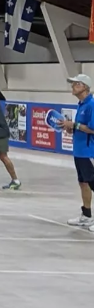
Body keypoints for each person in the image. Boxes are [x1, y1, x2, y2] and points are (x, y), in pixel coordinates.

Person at [63, 74, 94, 228]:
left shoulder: (92, 105)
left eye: (75, 84)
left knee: (92, 183)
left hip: (89, 152)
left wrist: (74, 125)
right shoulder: (81, 104)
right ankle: (87, 215)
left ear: (84, 86)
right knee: (83, 183)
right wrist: (70, 128)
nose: (72, 87)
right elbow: (80, 128)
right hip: (79, 151)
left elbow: (92, 129)